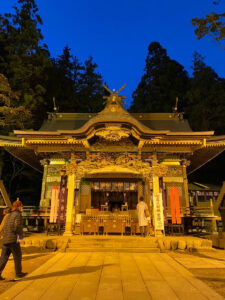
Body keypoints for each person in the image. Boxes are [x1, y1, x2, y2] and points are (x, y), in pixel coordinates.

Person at [0, 199, 27, 280]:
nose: (22, 208)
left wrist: (5, 236)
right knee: (17, 256)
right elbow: (17, 227)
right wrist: (20, 238)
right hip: (13, 240)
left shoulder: (9, 215)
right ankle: (19, 273)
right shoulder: (18, 215)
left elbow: (4, 227)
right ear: (18, 207)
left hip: (5, 240)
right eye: (21, 206)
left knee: (3, 258)